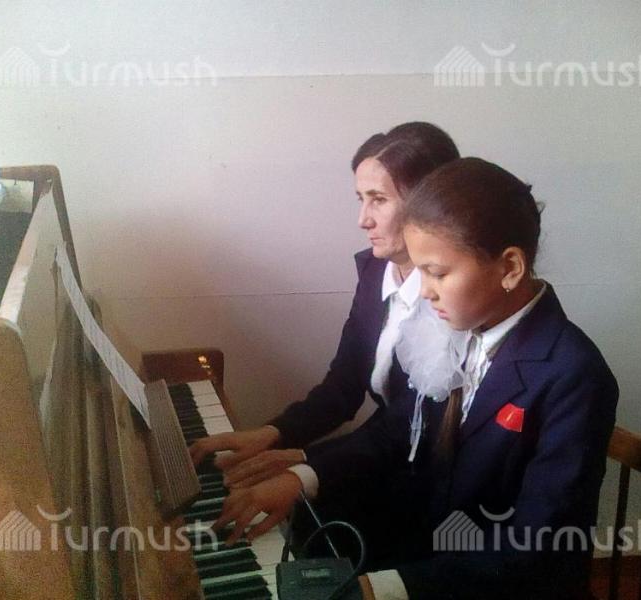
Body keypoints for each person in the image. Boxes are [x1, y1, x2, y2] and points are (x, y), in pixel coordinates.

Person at [213, 157, 619, 600]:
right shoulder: (463, 321)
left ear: (510, 268)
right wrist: (301, 477)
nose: (425, 291)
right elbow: (400, 428)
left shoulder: (573, 376)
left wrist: (382, 587)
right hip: (432, 553)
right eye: (420, 270)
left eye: (437, 272)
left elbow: (538, 548)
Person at [189, 122, 460, 490]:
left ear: (429, 203)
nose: (363, 219)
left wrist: (306, 465)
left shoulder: (455, 296)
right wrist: (273, 434)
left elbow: (415, 425)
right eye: (361, 199)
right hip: (383, 453)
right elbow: (344, 385)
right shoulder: (376, 271)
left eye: (379, 199)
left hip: (435, 476)